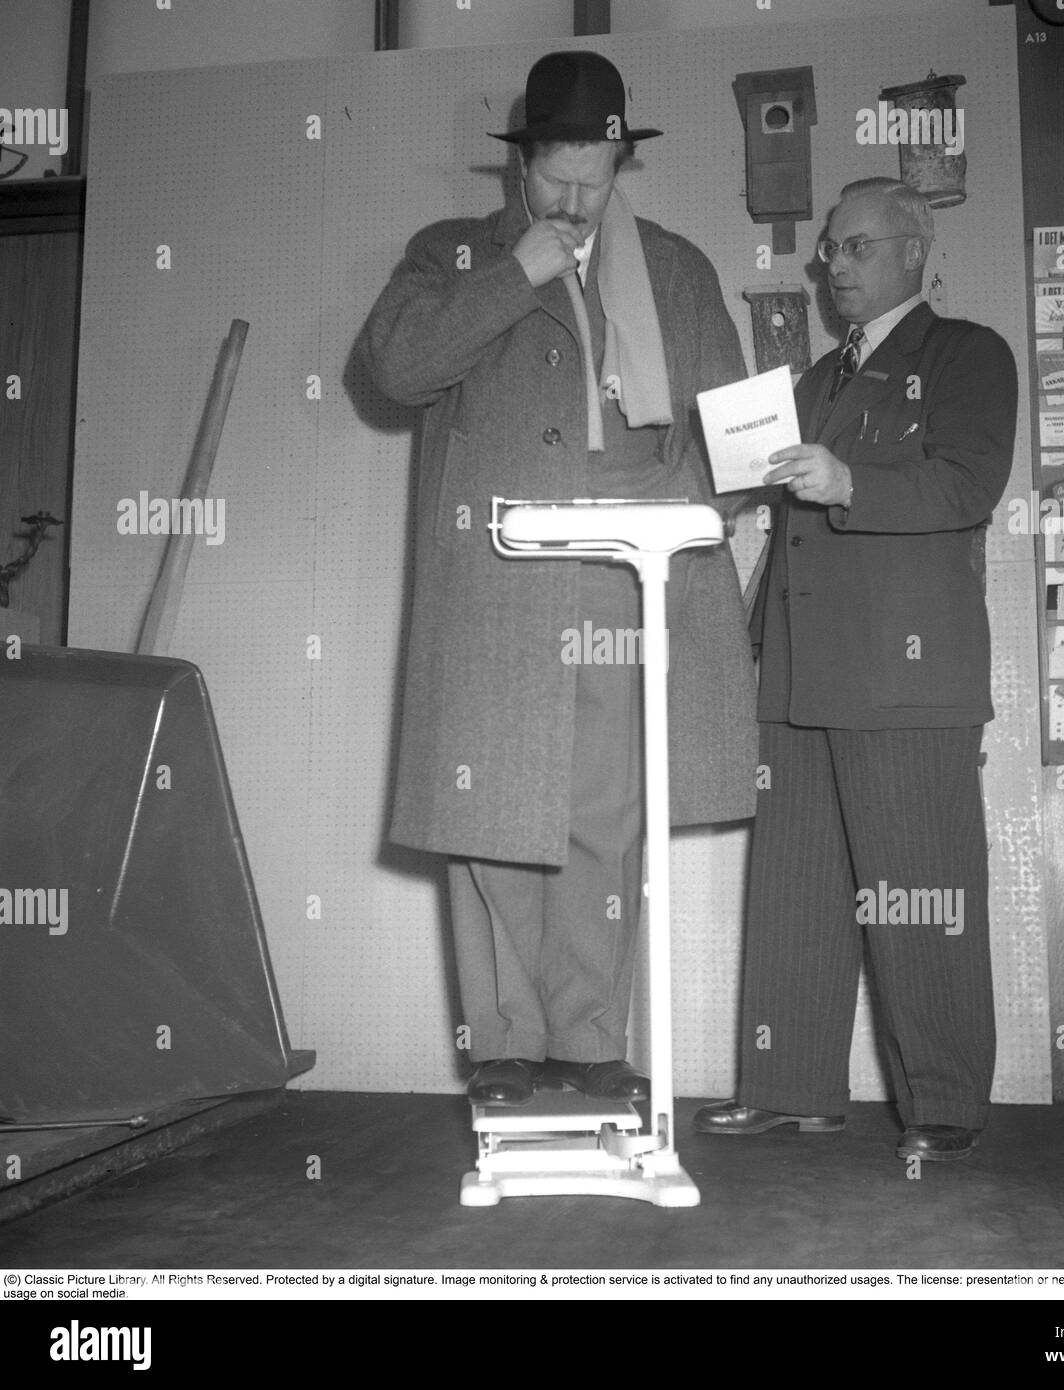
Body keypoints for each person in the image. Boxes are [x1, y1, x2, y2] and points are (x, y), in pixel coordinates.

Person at [359, 51, 757, 1106]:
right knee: (486, 812)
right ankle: (501, 1044)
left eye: (598, 174)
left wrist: (741, 488)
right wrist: (518, 270)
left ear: (622, 158)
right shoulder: (450, 253)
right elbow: (395, 370)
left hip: (625, 575)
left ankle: (588, 1041)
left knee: (603, 815)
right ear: (520, 164)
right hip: (498, 577)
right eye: (559, 177)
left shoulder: (674, 265)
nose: (578, 199)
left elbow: (728, 433)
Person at [695, 177, 1018, 1161]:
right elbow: (742, 486)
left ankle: (946, 1101)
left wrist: (848, 481)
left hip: (907, 678)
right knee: (792, 888)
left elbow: (966, 484)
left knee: (921, 891)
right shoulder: (807, 383)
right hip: (796, 675)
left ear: (915, 251)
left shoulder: (969, 353)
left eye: (858, 247)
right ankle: (790, 1087)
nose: (835, 265)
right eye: (831, 249)